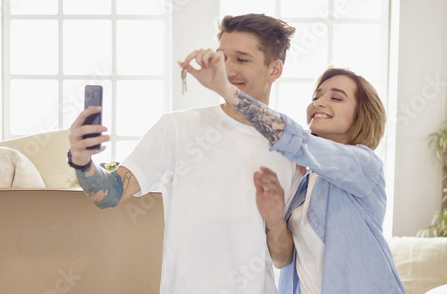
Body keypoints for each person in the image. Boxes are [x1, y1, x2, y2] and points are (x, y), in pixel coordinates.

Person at [68, 14, 302, 294]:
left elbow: (282, 258)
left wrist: (275, 221)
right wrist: (82, 162)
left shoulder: (293, 148)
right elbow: (110, 194)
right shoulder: (177, 128)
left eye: (242, 59)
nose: (227, 70)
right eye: (222, 58)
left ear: (275, 70)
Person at [178, 45, 406, 293]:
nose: (319, 102)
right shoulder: (304, 180)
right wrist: (275, 219)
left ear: (361, 114)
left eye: (336, 97)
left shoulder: (363, 165)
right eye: (316, 96)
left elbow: (294, 139)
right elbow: (282, 259)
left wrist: (227, 90)